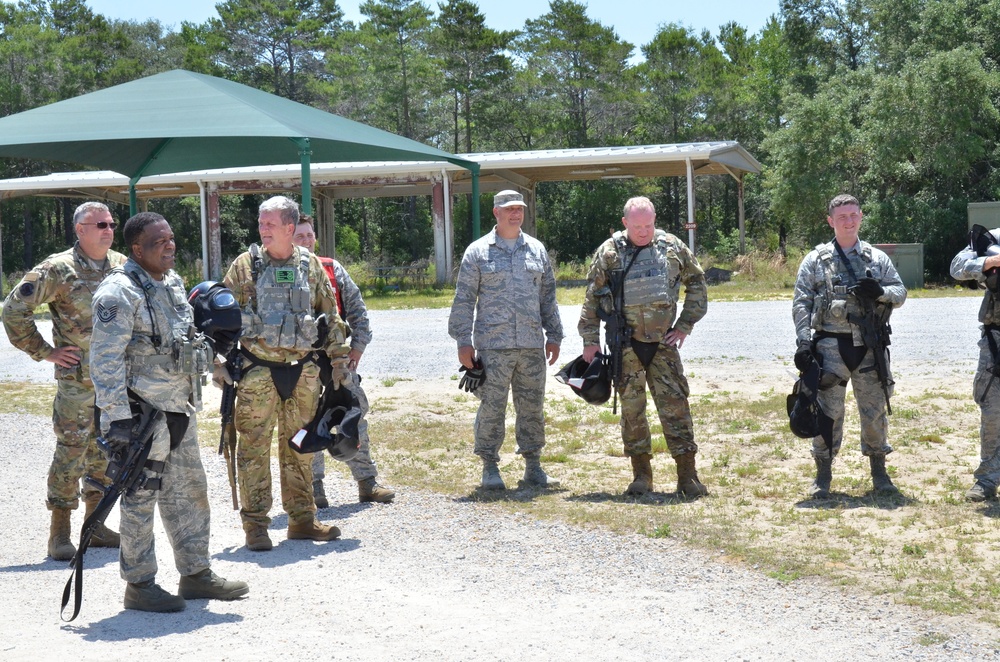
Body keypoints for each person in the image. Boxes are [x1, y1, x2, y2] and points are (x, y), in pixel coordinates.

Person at [90, 212, 248, 612]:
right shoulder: (118, 292)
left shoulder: (173, 283)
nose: (169, 246)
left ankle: (196, 575)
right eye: (159, 242)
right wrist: (118, 420)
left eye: (171, 239)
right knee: (140, 498)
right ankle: (139, 584)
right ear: (136, 249)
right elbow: (104, 361)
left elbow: (183, 342)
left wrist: (215, 354)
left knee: (189, 493)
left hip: (180, 409)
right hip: (140, 418)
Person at [223, 196, 352, 551]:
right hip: (256, 371)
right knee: (253, 448)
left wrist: (340, 364)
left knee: (300, 446)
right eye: (261, 223)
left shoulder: (310, 266)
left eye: (270, 224)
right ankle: (256, 525)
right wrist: (219, 364)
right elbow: (220, 318)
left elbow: (331, 316)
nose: (262, 229)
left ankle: (302, 520)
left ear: (290, 229)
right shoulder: (244, 266)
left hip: (303, 371)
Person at [2, 201, 126, 561]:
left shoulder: (121, 266)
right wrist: (44, 351)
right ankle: (59, 532)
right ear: (80, 230)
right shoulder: (58, 269)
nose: (107, 229)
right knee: (71, 452)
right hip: (77, 383)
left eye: (111, 223)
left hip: (116, 381)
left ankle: (96, 524)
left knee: (108, 450)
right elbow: (13, 310)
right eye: (99, 224)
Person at [579, 196, 708, 498]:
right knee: (632, 413)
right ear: (625, 223)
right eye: (637, 226)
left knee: (676, 408)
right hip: (626, 346)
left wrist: (684, 325)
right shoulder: (609, 252)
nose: (643, 231)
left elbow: (698, 283)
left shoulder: (673, 247)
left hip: (664, 344)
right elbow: (592, 298)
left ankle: (687, 476)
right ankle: (641, 475)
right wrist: (590, 341)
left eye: (648, 225)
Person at [448, 189, 564, 490]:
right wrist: (463, 341)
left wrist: (554, 335)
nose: (516, 214)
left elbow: (548, 298)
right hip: (493, 346)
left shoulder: (536, 250)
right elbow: (464, 300)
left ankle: (533, 466)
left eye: (520, 209)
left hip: (530, 345)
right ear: (496, 213)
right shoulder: (477, 252)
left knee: (532, 407)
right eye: (509, 209)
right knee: (492, 406)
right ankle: (489, 466)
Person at [792, 194, 907, 498]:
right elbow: (801, 301)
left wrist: (880, 291)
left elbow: (901, 292)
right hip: (830, 346)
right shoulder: (815, 260)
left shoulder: (876, 258)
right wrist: (804, 341)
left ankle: (879, 473)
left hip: (868, 347)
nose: (849, 221)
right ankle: (823, 475)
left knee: (874, 411)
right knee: (827, 412)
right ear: (831, 221)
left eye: (854, 215)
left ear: (861, 216)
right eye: (842, 217)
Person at [292, 216, 395, 505]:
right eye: (300, 236)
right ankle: (314, 489)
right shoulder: (281, 272)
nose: (306, 241)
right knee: (307, 423)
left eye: (310, 235)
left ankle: (367, 483)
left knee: (353, 418)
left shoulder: (332, 269)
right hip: (300, 365)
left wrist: (356, 350)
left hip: (337, 361)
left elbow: (359, 313)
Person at [950, 225, 1000, 501]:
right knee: (993, 413)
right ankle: (988, 479)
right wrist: (990, 261)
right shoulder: (993, 238)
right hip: (997, 341)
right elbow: (957, 267)